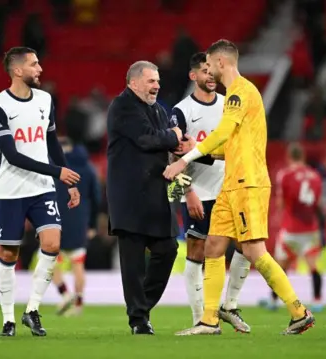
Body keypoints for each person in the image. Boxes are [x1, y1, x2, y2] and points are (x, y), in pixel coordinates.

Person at [165, 39, 315, 336]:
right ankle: (209, 320)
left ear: (221, 63)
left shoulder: (240, 93)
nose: (207, 70)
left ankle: (299, 312)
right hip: (231, 184)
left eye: (209, 64)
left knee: (253, 250)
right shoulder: (228, 96)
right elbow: (228, 145)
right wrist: (200, 151)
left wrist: (185, 161)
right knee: (214, 246)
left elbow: (222, 132)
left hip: (248, 182)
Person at [0, 46, 81, 337]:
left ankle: (32, 310)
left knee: (52, 244)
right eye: (34, 64)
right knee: (9, 252)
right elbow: (13, 157)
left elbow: (52, 142)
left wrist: (70, 182)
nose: (40, 69)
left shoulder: (45, 99)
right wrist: (58, 172)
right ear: (17, 70)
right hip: (12, 189)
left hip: (42, 189)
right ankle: (7, 319)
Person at [172, 52, 251, 331]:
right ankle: (201, 318)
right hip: (199, 193)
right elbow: (173, 157)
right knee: (196, 250)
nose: (210, 75)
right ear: (193, 76)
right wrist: (187, 192)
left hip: (231, 188)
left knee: (246, 246)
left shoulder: (229, 104)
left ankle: (229, 305)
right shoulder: (181, 111)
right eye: (204, 71)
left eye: (212, 70)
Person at [106, 60, 184, 335]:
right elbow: (147, 139)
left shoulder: (159, 110)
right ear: (134, 82)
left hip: (157, 194)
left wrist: (177, 143)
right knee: (133, 260)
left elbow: (167, 146)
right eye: (151, 81)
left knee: (168, 250)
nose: (157, 86)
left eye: (158, 81)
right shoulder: (122, 106)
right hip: (128, 195)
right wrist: (174, 135)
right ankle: (139, 320)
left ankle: (143, 306)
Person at [260, 143, 326, 312]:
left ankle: (274, 301)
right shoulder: (315, 175)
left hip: (290, 229)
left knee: (280, 267)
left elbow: (281, 202)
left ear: (289, 156)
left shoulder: (285, 175)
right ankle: (317, 300)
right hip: (310, 228)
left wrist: (277, 218)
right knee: (313, 266)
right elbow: (317, 203)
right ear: (302, 156)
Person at [52, 137, 101, 317]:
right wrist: (92, 224)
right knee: (77, 263)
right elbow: (96, 198)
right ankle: (78, 303)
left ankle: (65, 294)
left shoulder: (55, 168)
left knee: (50, 260)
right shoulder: (88, 168)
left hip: (57, 219)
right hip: (80, 220)